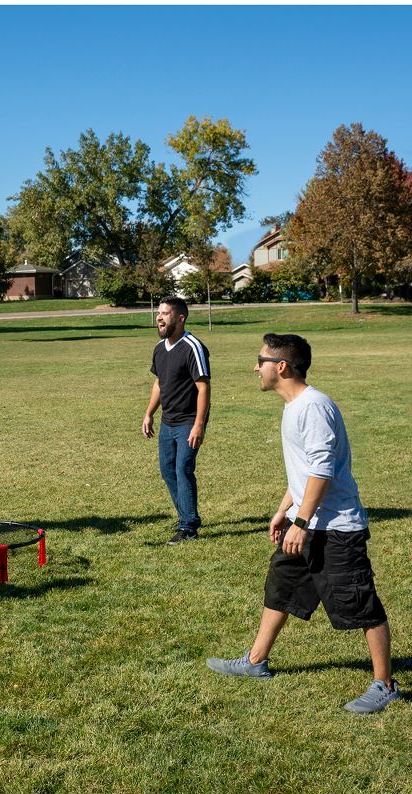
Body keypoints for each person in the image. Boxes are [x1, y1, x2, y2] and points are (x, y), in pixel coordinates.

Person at [206, 333, 401, 714]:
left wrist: (302, 521)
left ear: (280, 366)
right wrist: (285, 509)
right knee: (282, 587)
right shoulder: (294, 406)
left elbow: (323, 471)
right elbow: (304, 471)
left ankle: (385, 683)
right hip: (307, 521)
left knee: (360, 604)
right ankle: (256, 661)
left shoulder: (312, 407)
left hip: (336, 529)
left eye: (260, 360)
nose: (255, 368)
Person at [142, 296, 210, 544]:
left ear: (180, 318)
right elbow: (159, 383)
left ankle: (188, 527)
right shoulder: (160, 349)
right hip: (167, 422)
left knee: (183, 469)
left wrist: (199, 425)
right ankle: (186, 517)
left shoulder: (193, 347)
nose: (159, 317)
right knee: (168, 471)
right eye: (158, 313)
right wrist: (149, 413)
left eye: (165, 313)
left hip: (188, 422)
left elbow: (203, 387)